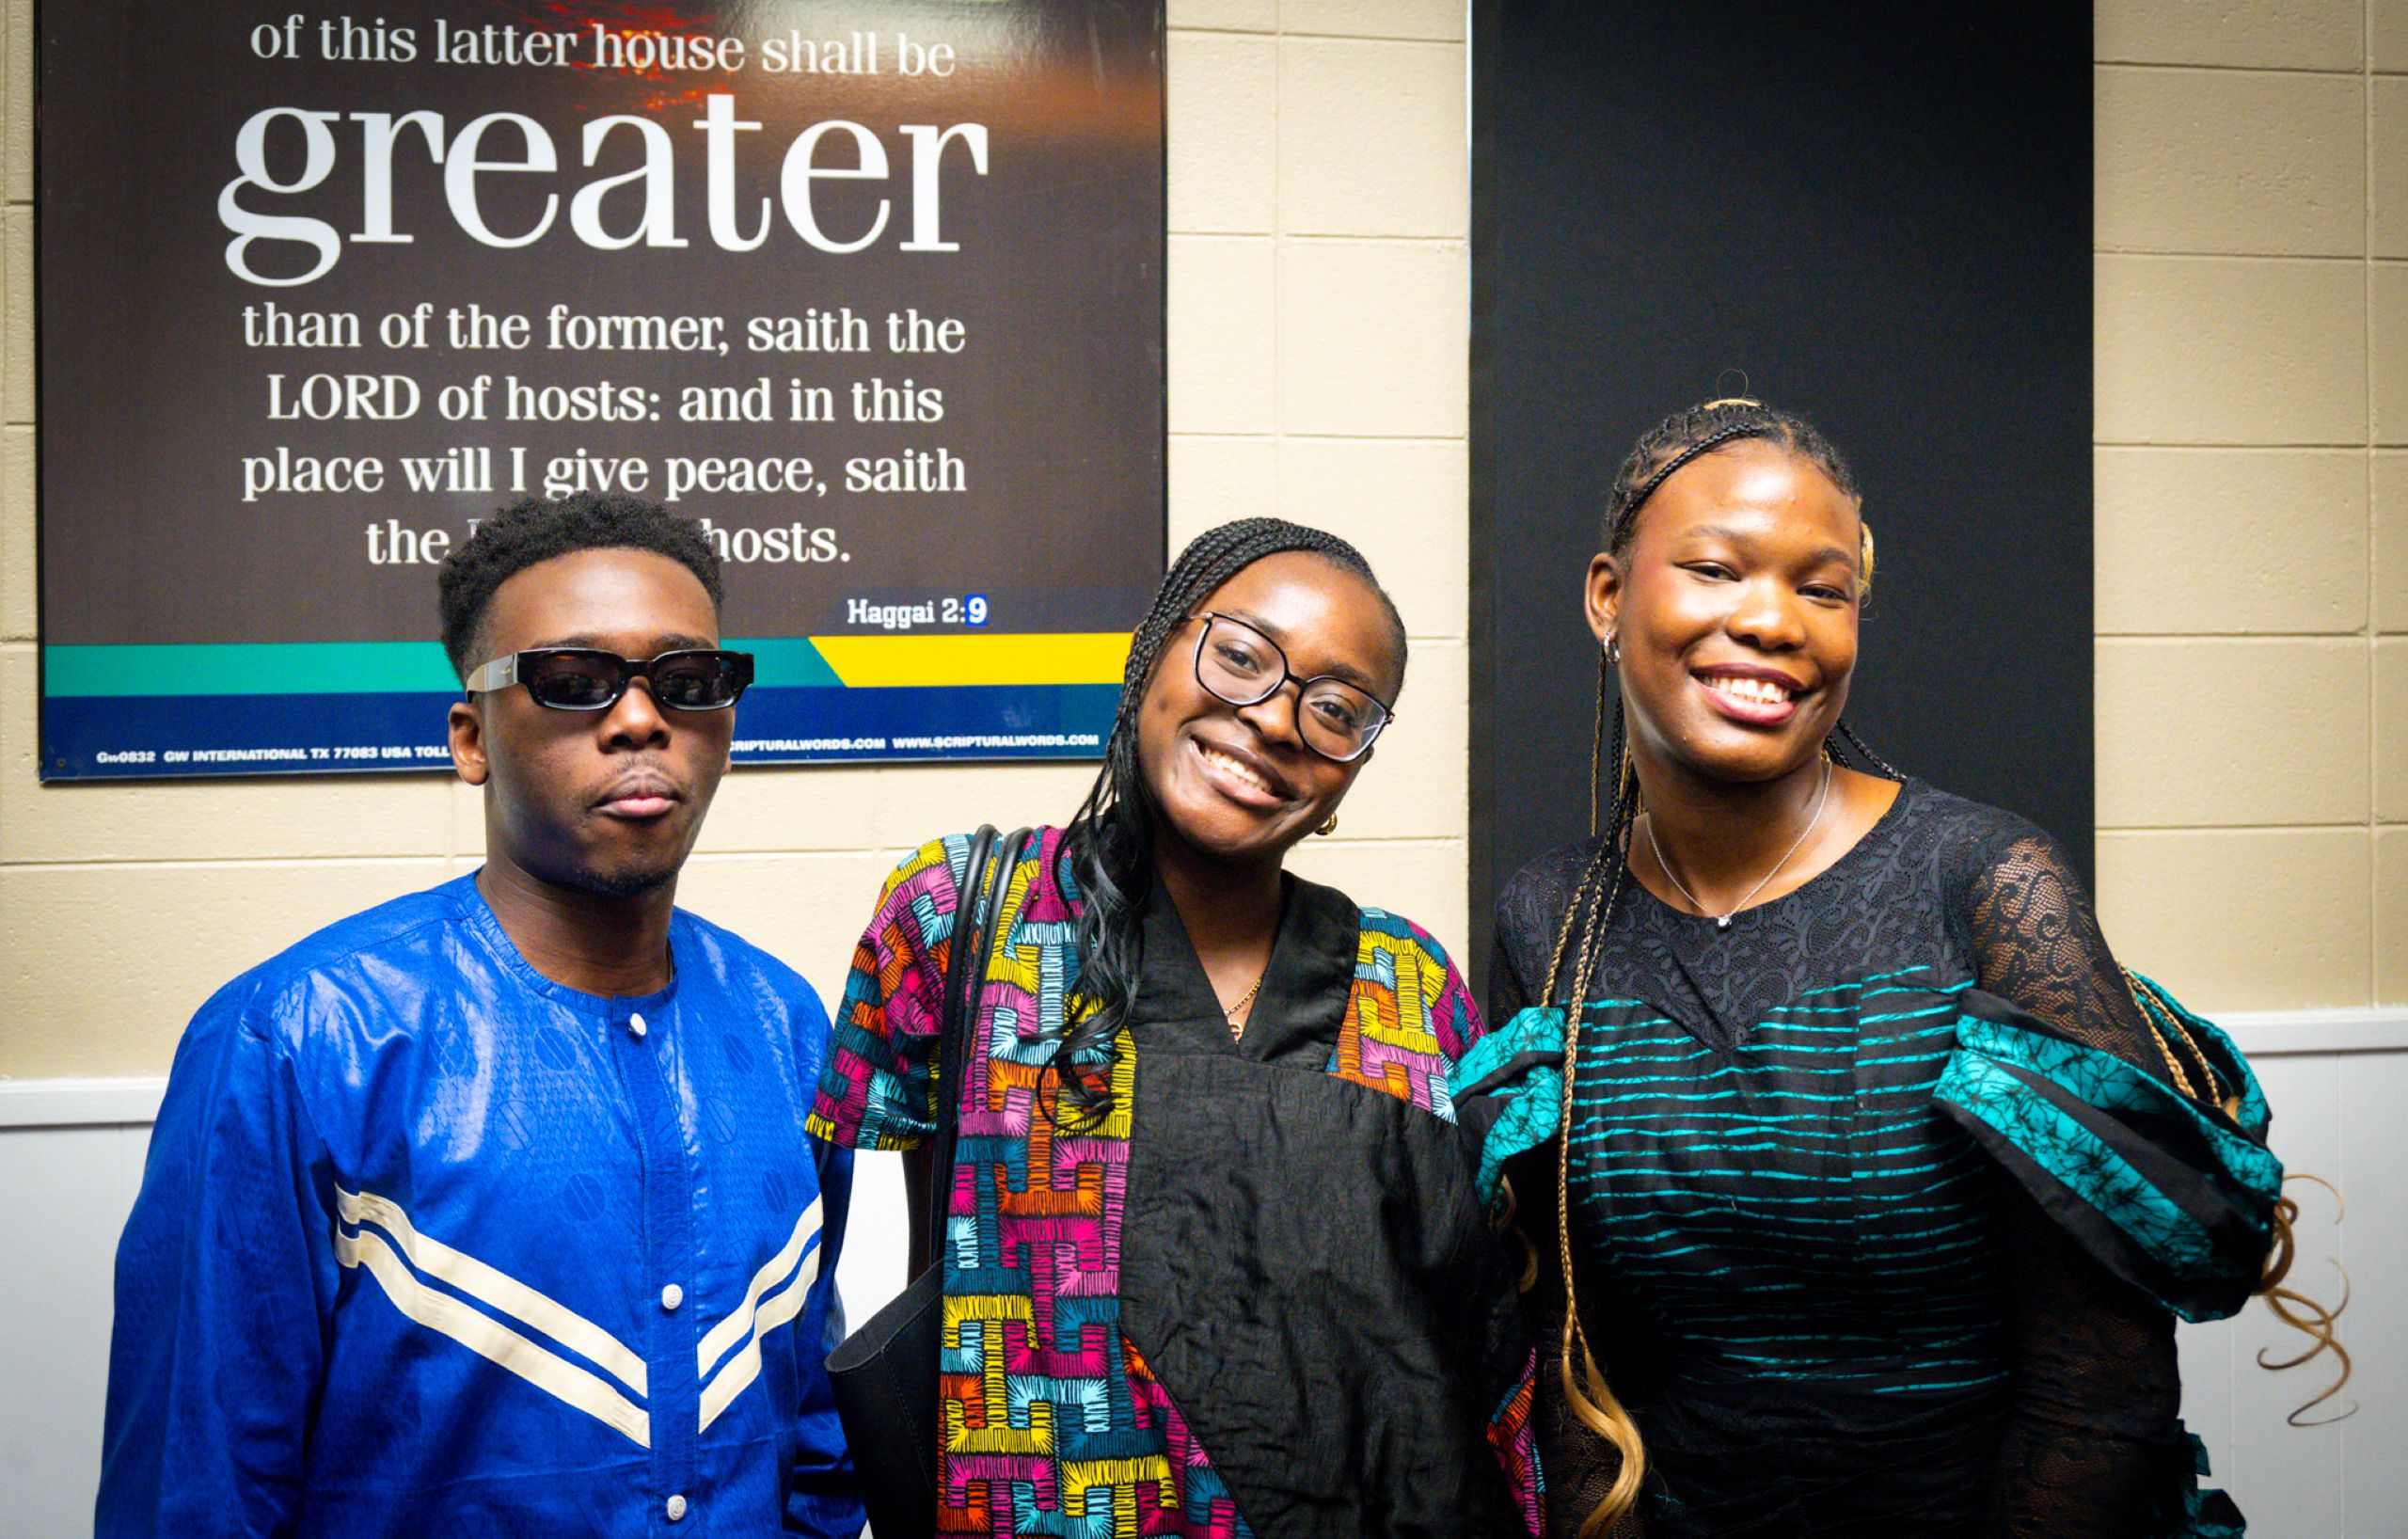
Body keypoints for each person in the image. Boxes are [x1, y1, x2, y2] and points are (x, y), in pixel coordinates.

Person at [1460, 399, 2303, 1537]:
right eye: (1714, 569)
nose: (1772, 621)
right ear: (1608, 595)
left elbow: (2105, 1386)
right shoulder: (1549, 917)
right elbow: (1569, 1353)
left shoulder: (1985, 882)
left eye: (1822, 589)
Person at [98, 495, 863, 1538]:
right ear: (472, 739)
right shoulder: (303, 1039)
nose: (641, 722)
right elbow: (199, 1490)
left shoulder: (785, 1028)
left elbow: (812, 1434)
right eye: (573, 681)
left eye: (687, 681)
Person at [807, 518, 1543, 1537]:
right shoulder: (960, 914)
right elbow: (932, 1272)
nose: (1275, 719)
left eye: (1335, 709)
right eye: (1240, 656)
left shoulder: (1407, 982)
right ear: (1151, 651)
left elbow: (1459, 1332)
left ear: (1352, 770)